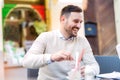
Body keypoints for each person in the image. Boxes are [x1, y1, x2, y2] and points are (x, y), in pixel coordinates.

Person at [22, 5, 100, 80]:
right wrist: (52, 57)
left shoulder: (82, 40)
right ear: (63, 19)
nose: (79, 26)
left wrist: (90, 70)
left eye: (80, 22)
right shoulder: (46, 37)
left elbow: (94, 65)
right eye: (76, 21)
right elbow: (27, 61)